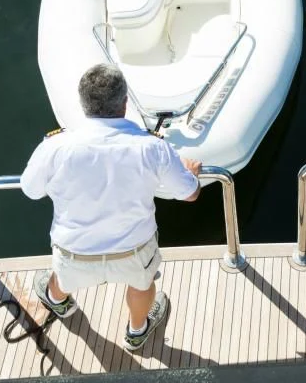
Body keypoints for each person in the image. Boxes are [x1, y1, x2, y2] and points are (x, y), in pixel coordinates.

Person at [20, 64, 202, 353]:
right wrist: (191, 173)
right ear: (125, 102)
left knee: (61, 275)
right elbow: (190, 194)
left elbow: (30, 190)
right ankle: (136, 332)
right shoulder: (152, 148)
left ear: (82, 105)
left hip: (74, 251)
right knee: (143, 286)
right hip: (134, 250)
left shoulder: (56, 147)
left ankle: (58, 301)